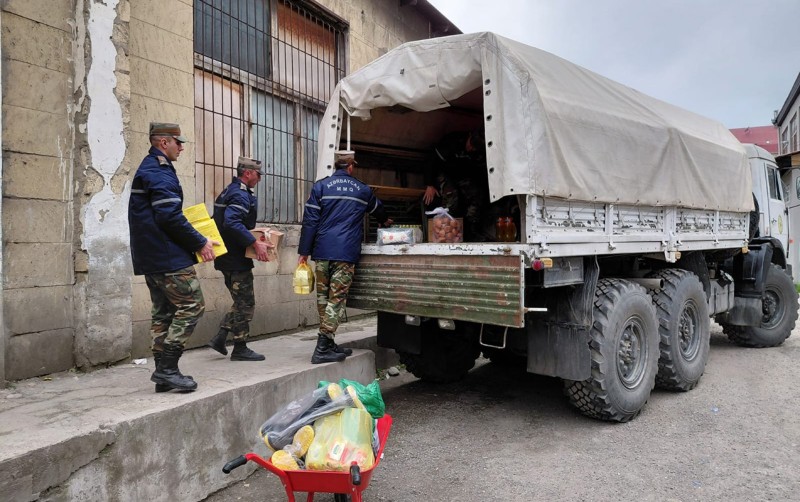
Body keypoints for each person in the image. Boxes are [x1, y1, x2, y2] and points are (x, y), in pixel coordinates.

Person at [128, 122, 217, 393]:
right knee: (192, 306)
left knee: (163, 312)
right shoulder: (159, 171)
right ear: (163, 142)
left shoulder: (149, 169)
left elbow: (162, 214)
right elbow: (169, 215)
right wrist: (200, 242)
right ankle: (167, 368)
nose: (182, 147)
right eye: (178, 142)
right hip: (167, 257)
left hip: (152, 256)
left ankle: (163, 373)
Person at [298, 150, 393, 364]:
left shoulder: (321, 187)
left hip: (321, 251)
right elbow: (379, 209)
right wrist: (385, 220)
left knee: (323, 299)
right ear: (351, 166)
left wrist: (303, 252)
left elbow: (310, 221)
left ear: (337, 165)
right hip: (344, 253)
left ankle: (329, 342)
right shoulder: (362, 189)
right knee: (336, 299)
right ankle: (322, 347)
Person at [206, 156, 273, 361]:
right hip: (235, 258)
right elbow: (232, 223)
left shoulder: (229, 190)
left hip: (227, 256)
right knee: (245, 303)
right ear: (248, 173)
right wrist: (254, 243)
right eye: (258, 175)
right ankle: (240, 348)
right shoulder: (240, 195)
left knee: (240, 301)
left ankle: (221, 337)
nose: (260, 179)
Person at [422, 129, 490, 241]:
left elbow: (477, 170)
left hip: (460, 175)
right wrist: (429, 184)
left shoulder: (476, 151)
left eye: (474, 148)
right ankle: (446, 230)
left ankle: (470, 230)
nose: (471, 149)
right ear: (469, 137)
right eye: (471, 145)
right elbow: (432, 160)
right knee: (451, 194)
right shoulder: (452, 141)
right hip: (442, 172)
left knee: (476, 194)